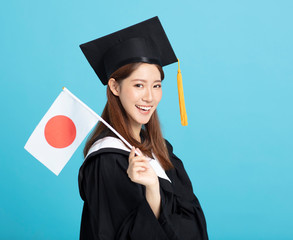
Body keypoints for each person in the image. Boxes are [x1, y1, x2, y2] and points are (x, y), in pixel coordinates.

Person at [78, 16, 209, 240]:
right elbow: (113, 235)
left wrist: (154, 191)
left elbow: (193, 222)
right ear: (115, 87)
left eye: (156, 85)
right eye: (138, 85)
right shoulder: (106, 160)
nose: (149, 97)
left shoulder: (161, 149)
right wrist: (153, 192)